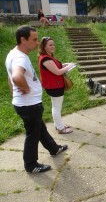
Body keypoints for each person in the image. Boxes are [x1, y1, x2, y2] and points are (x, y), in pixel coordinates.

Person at [5, 25, 68, 173]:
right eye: (34, 39)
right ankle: (31, 164)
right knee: (33, 134)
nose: (37, 42)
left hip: (28, 104)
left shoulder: (13, 54)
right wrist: (26, 88)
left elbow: (10, 78)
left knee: (40, 128)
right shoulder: (20, 57)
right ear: (23, 40)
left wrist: (14, 93)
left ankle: (53, 148)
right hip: (29, 105)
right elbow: (16, 77)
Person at [38, 37, 75, 134]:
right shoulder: (45, 59)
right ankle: (60, 128)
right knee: (56, 107)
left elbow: (57, 66)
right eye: (50, 45)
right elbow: (58, 72)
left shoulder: (48, 57)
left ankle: (58, 124)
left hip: (54, 86)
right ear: (44, 47)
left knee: (56, 106)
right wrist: (69, 67)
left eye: (53, 44)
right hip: (54, 86)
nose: (53, 46)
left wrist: (67, 64)